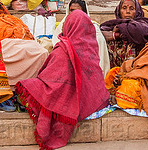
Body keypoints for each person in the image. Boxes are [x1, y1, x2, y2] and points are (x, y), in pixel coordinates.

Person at [16, 10, 109, 150]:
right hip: (90, 98)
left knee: (27, 86)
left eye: (67, 22)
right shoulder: (91, 47)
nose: (64, 24)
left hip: (61, 93)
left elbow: (48, 77)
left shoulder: (63, 48)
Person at [52, 0, 110, 77]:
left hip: (88, 70)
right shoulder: (62, 26)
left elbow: (100, 58)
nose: (74, 14)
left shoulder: (94, 29)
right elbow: (57, 47)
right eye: (72, 11)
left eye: (78, 11)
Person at [100, 0, 148, 68]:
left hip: (135, 68)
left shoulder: (143, 23)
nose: (128, 11)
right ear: (119, 11)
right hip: (113, 68)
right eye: (124, 8)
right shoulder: (111, 25)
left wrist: (116, 35)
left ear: (137, 11)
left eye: (131, 9)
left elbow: (138, 32)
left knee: (132, 40)